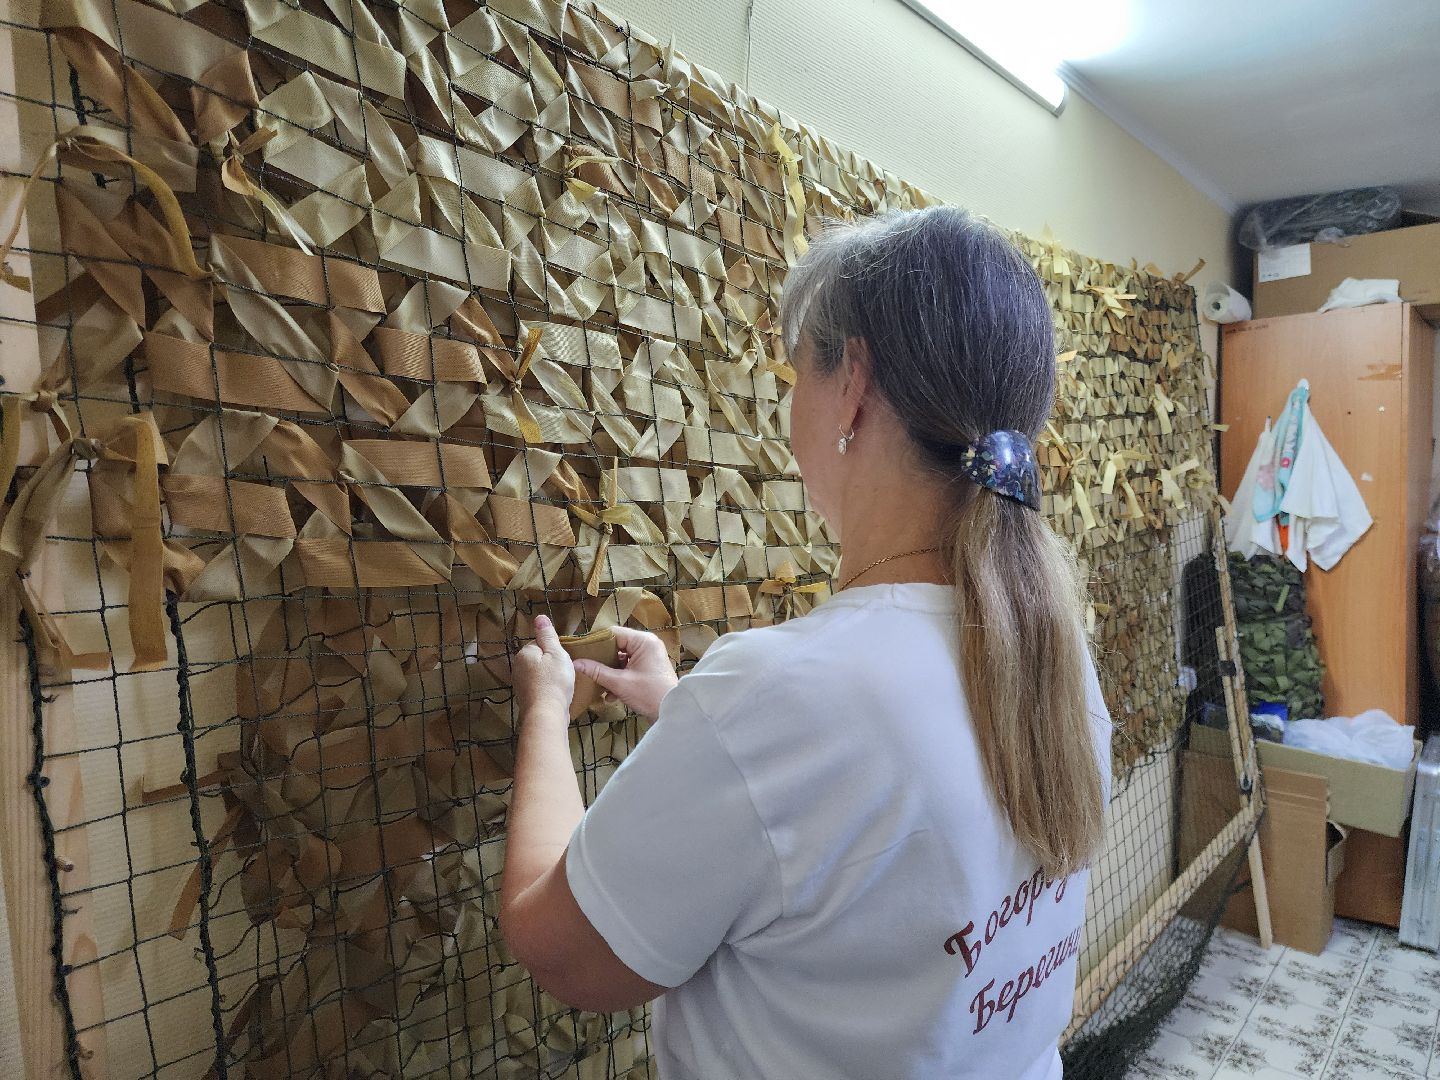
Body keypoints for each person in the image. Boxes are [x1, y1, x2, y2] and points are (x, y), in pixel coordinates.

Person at [500, 206, 1113, 1080]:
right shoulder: (1050, 653)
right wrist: (691, 716)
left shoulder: (779, 696)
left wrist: (546, 710)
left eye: (799, 369)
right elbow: (880, 812)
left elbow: (554, 942)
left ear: (851, 381)